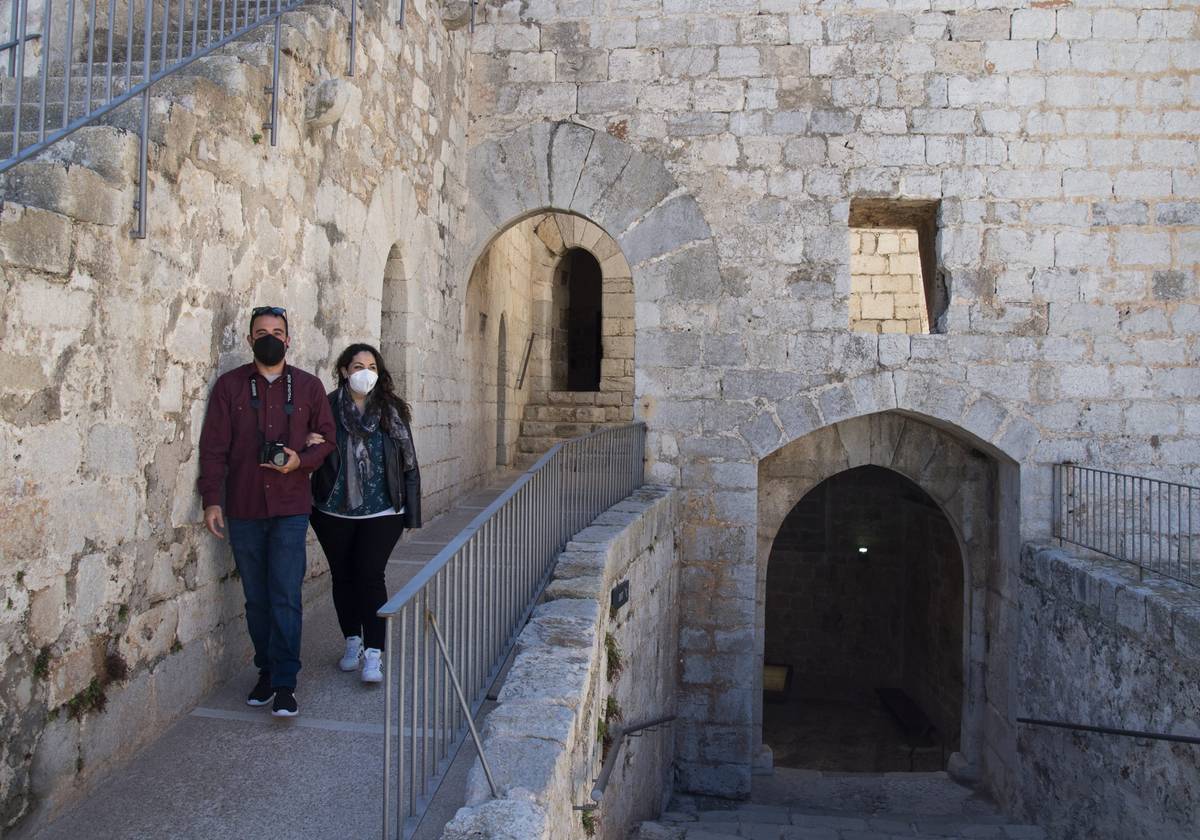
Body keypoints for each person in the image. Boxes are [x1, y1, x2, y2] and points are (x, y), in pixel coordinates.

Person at [198, 306, 336, 718]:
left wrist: (301, 460)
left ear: (289, 339)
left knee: (285, 595)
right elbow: (214, 447)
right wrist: (211, 499)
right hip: (244, 506)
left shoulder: (309, 387)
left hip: (292, 507)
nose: (270, 337)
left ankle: (286, 683)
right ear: (249, 340)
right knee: (256, 599)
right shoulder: (230, 387)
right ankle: (265, 670)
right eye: (261, 332)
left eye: (277, 331)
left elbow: (328, 440)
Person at [309, 343, 422, 683]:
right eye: (357, 366)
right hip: (332, 509)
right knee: (342, 577)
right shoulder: (324, 408)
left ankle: (375, 653)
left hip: (383, 509)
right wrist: (307, 441)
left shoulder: (391, 411)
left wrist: (412, 513)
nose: (365, 373)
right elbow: (307, 449)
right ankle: (352, 641)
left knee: (370, 576)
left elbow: (409, 462)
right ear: (344, 370)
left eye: (371, 366)